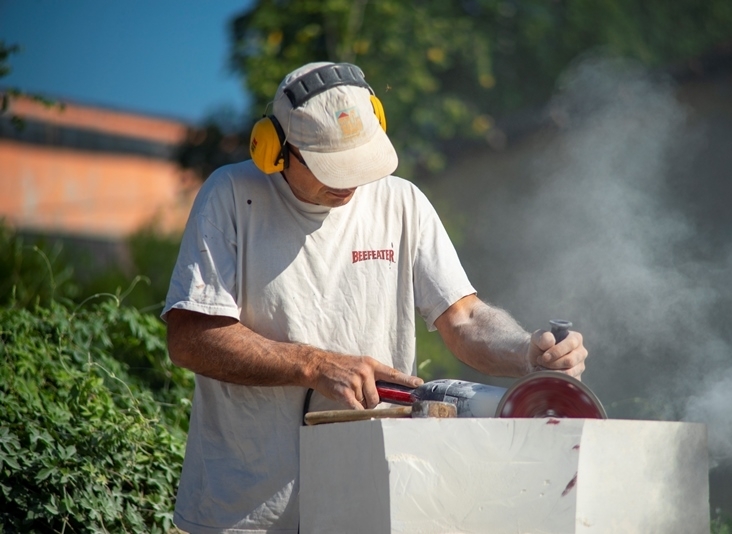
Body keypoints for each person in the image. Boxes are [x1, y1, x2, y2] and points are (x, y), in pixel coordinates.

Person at [162, 61, 588, 534]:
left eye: (358, 163)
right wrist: (315, 364)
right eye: (330, 167)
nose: (348, 183)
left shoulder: (402, 202)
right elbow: (190, 338)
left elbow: (464, 318)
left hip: (371, 499)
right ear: (274, 149)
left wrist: (527, 351)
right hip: (245, 510)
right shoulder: (230, 196)